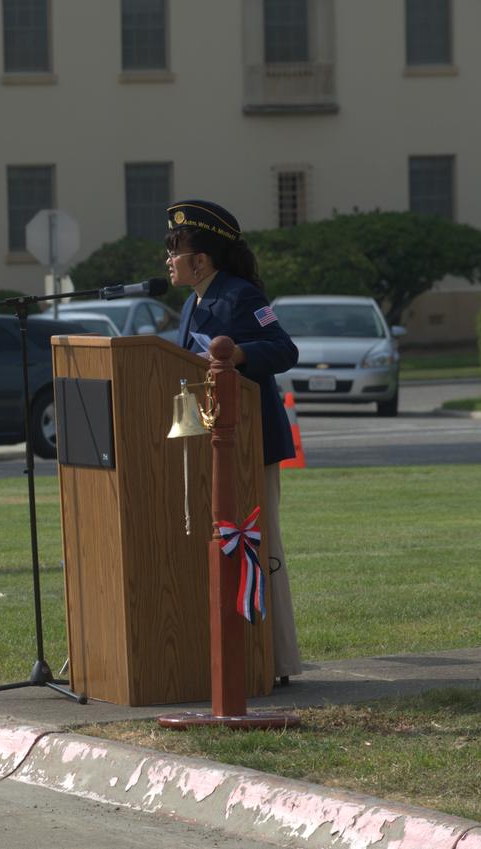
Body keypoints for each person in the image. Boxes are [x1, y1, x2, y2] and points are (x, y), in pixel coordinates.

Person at [165, 199, 302, 684]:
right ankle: (229, 655)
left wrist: (235, 355)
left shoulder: (241, 297)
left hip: (250, 445)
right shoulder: (192, 302)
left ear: (199, 259)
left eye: (173, 250)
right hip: (208, 444)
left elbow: (285, 349)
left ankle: (276, 659)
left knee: (260, 546)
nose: (168, 260)